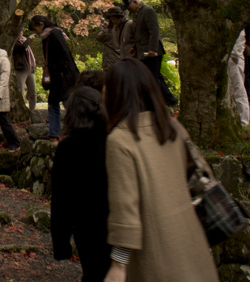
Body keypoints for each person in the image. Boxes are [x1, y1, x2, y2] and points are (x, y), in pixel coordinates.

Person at [101, 59, 218, 282]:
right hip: (191, 243)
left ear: (115, 92)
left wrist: (118, 265)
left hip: (156, 254)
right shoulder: (171, 127)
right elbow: (202, 172)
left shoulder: (121, 140)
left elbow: (126, 207)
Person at [52, 86, 110, 282]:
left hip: (87, 228)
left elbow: (61, 201)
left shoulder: (68, 148)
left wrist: (61, 243)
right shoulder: (114, 141)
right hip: (118, 223)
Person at [122, 0, 178, 106]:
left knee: (152, 77)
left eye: (129, 6)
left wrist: (152, 50)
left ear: (134, 2)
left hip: (152, 52)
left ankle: (159, 102)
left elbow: (154, 31)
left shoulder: (147, 11)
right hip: (143, 52)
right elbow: (139, 35)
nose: (128, 9)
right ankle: (169, 100)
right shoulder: (136, 15)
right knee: (154, 76)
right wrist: (134, 48)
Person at [29, 15, 80, 139]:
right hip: (56, 76)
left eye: (35, 28)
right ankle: (54, 132)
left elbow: (64, 54)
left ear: (41, 24)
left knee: (67, 102)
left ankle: (78, 130)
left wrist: (62, 72)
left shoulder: (54, 34)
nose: (36, 32)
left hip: (63, 76)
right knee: (53, 103)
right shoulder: (49, 35)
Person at [226, 29, 249, 126]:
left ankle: (243, 121)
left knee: (238, 88)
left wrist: (235, 54)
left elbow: (240, 36)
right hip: (229, 57)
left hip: (233, 58)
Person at [12, 33, 37, 111]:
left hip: (29, 68)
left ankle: (32, 111)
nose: (20, 33)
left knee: (33, 92)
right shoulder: (14, 42)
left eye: (21, 31)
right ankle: (20, 111)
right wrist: (29, 39)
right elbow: (21, 48)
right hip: (20, 68)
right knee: (20, 92)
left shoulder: (24, 40)